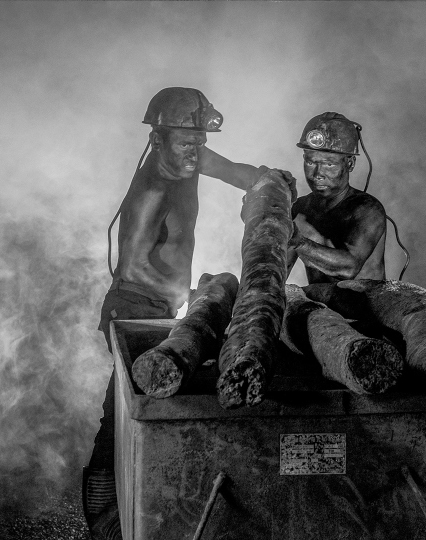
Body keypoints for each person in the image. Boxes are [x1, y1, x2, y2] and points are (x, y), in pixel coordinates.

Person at [83, 87, 296, 540]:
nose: (194, 152)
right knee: (124, 408)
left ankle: (153, 509)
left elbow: (236, 172)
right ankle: (106, 518)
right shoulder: (152, 189)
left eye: (199, 142)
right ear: (157, 139)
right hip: (134, 305)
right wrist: (185, 299)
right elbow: (132, 268)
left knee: (154, 397)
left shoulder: (189, 159)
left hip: (160, 304)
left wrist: (271, 180)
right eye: (185, 143)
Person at [287, 112, 387, 284]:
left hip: (365, 299)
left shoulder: (368, 209)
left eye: (329, 164)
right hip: (319, 299)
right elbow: (279, 271)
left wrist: (300, 243)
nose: (318, 174)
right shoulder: (300, 208)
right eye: (311, 162)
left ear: (350, 163)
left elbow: (349, 268)